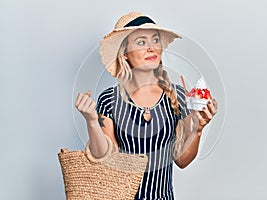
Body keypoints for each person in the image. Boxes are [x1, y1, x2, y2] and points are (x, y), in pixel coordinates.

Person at [75, 11, 218, 200]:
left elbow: (182, 161)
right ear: (124, 53)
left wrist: (198, 129)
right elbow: (105, 158)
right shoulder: (109, 99)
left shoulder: (178, 96)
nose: (152, 48)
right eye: (141, 42)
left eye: (155, 40)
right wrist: (92, 121)